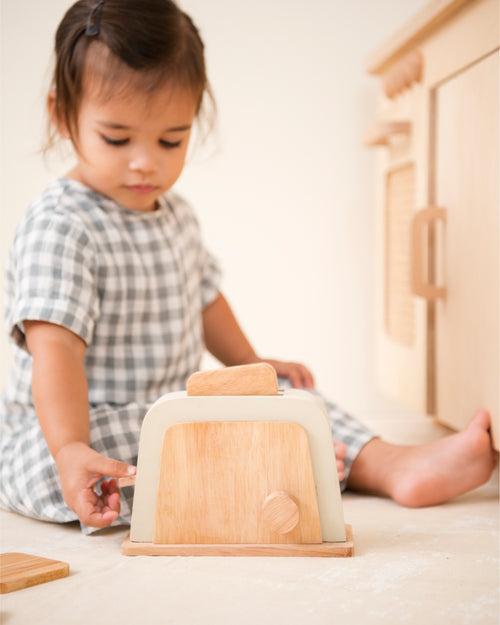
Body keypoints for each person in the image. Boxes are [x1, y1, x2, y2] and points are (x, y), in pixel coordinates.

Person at [0, 0, 496, 534]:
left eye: (172, 139)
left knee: (287, 400)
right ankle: (258, 470)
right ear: (61, 114)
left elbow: (206, 299)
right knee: (150, 441)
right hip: (72, 431)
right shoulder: (62, 224)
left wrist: (252, 366)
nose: (146, 161)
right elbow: (56, 352)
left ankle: (387, 463)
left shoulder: (176, 215)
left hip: (171, 409)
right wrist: (72, 447)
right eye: (116, 139)